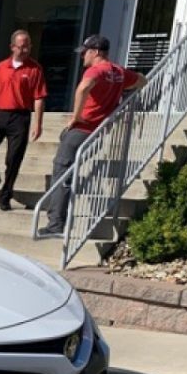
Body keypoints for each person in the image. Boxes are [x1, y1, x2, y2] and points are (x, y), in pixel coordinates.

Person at [38, 35, 148, 238]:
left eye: (85, 52)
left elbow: (83, 88)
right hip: (98, 133)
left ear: (96, 52)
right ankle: (58, 220)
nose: (82, 57)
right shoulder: (118, 72)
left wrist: (76, 116)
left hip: (82, 130)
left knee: (61, 174)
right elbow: (142, 80)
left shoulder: (96, 70)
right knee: (68, 175)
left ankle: (55, 224)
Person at [0, 30, 47, 211]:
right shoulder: (1, 67)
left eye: (27, 46)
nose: (24, 50)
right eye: (21, 46)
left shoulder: (35, 69)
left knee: (14, 158)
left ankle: (5, 194)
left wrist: (38, 123)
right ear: (12, 47)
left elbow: (39, 98)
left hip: (20, 117)